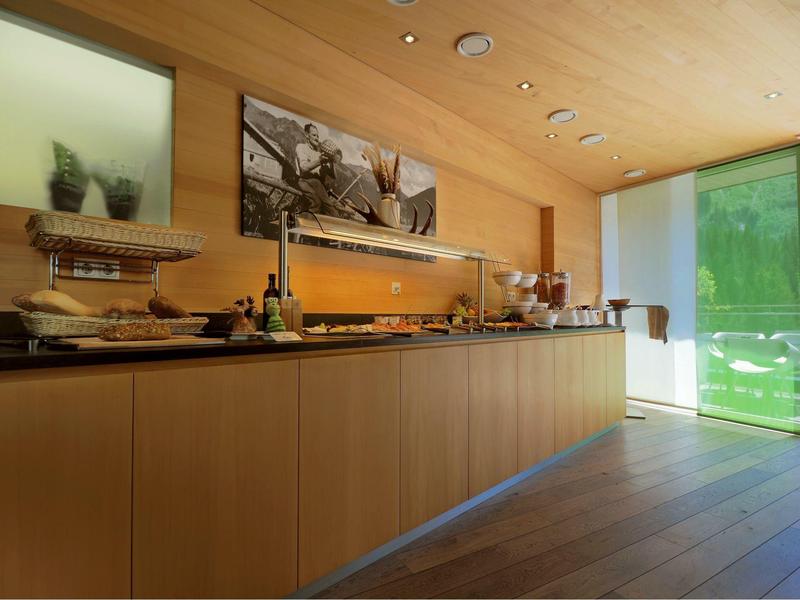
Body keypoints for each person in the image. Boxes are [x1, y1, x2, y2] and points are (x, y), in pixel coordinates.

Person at [295, 123, 336, 214]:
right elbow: (303, 168)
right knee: (317, 203)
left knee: (326, 205)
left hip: (317, 183)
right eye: (314, 135)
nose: (317, 138)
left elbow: (333, 176)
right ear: (307, 135)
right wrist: (319, 161)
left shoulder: (319, 153)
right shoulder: (301, 147)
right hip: (304, 180)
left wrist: (332, 161)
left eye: (317, 135)